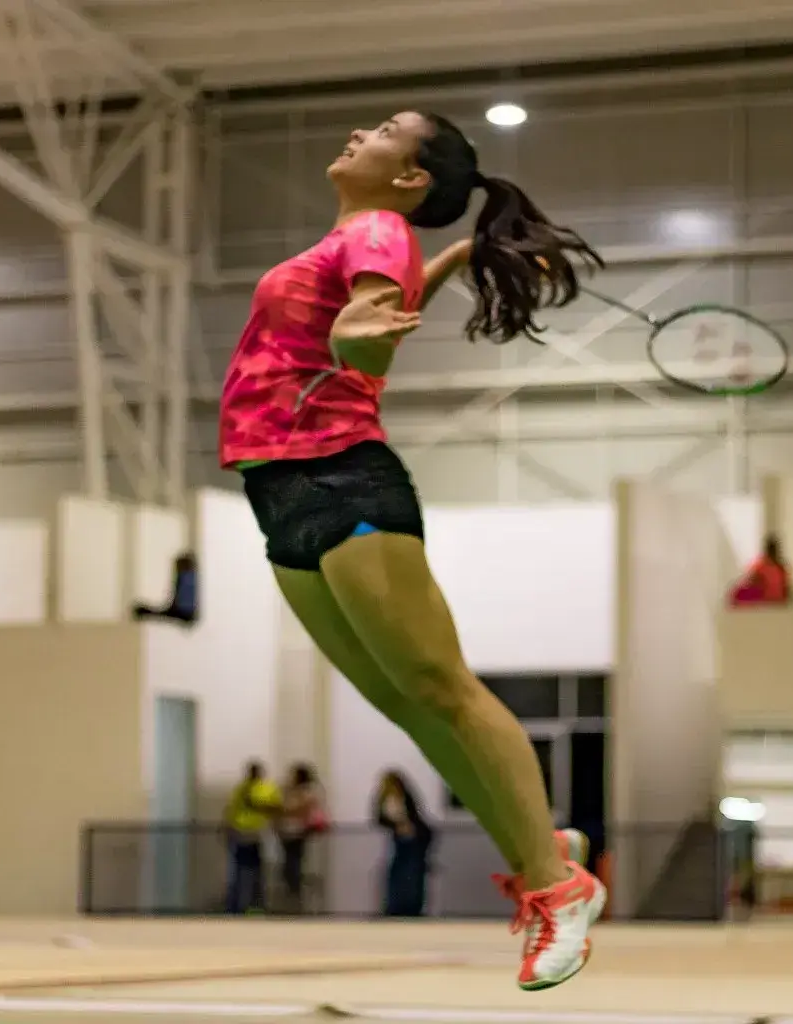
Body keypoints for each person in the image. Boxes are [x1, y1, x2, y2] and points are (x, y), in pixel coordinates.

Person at [217, 110, 605, 989]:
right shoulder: (368, 240)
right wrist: (459, 261)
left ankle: (558, 885)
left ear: (410, 179)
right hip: (279, 491)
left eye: (387, 129)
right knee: (406, 703)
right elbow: (367, 303)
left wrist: (363, 336)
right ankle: (544, 841)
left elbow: (363, 323)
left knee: (441, 689)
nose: (360, 130)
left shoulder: (377, 230)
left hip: (342, 479)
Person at [223, 761, 280, 914]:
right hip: (241, 833)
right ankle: (235, 906)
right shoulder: (241, 789)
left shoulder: (267, 788)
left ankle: (256, 905)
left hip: (259, 834)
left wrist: (256, 803)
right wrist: (228, 828)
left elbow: (275, 807)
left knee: (258, 872)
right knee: (238, 871)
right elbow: (232, 809)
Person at [375, 770, 434, 917]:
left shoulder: (397, 798)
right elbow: (382, 818)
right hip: (404, 837)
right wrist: (397, 826)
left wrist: (402, 827)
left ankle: (408, 905)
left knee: (409, 871)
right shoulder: (392, 798)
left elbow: (408, 818)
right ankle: (400, 904)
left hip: (412, 837)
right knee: (403, 872)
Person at [276, 763, 328, 911]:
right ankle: (291, 891)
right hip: (287, 832)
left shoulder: (307, 792)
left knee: (294, 863)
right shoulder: (289, 791)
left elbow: (296, 809)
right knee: (288, 864)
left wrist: (289, 808)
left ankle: (296, 894)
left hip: (298, 832)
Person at [133, 553, 199, 625]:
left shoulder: (186, 578)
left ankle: (142, 611)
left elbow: (181, 606)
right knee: (143, 610)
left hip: (184, 613)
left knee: (142, 610)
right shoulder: (189, 578)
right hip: (182, 612)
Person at [729, 535, 793, 607]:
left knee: (738, 592)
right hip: (779, 598)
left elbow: (750, 579)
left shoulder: (762, 565)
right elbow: (787, 587)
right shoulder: (781, 567)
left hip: (766, 597)